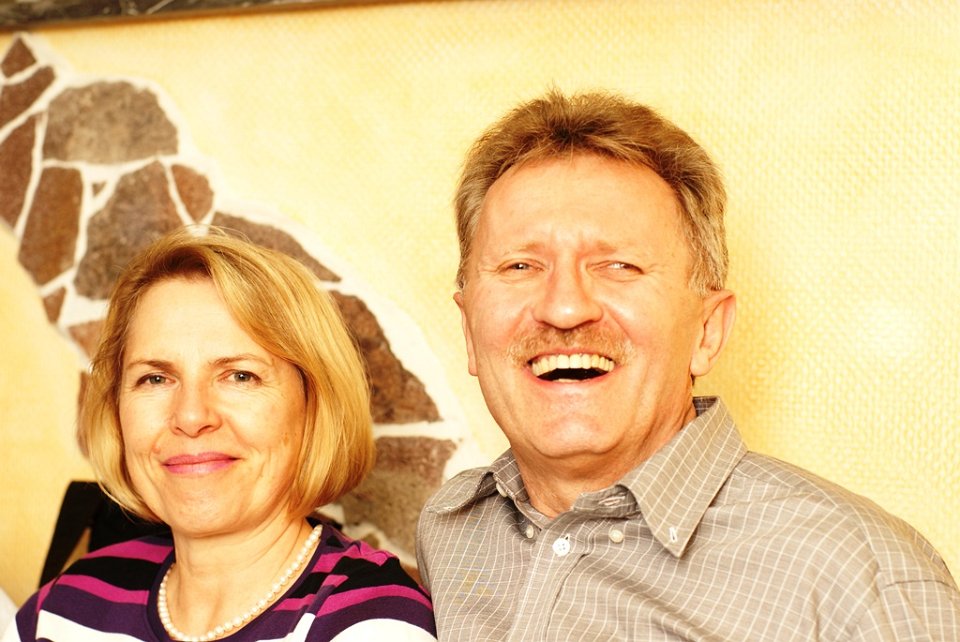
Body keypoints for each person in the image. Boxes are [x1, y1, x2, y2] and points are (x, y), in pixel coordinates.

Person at [416, 89, 960, 640]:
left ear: (707, 331)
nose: (564, 308)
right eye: (520, 266)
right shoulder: (452, 529)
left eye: (619, 266)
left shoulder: (863, 582)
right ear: (469, 329)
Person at [5, 228, 436, 641]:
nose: (191, 416)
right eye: (156, 378)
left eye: (240, 375)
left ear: (314, 404)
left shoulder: (371, 622)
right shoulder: (62, 610)